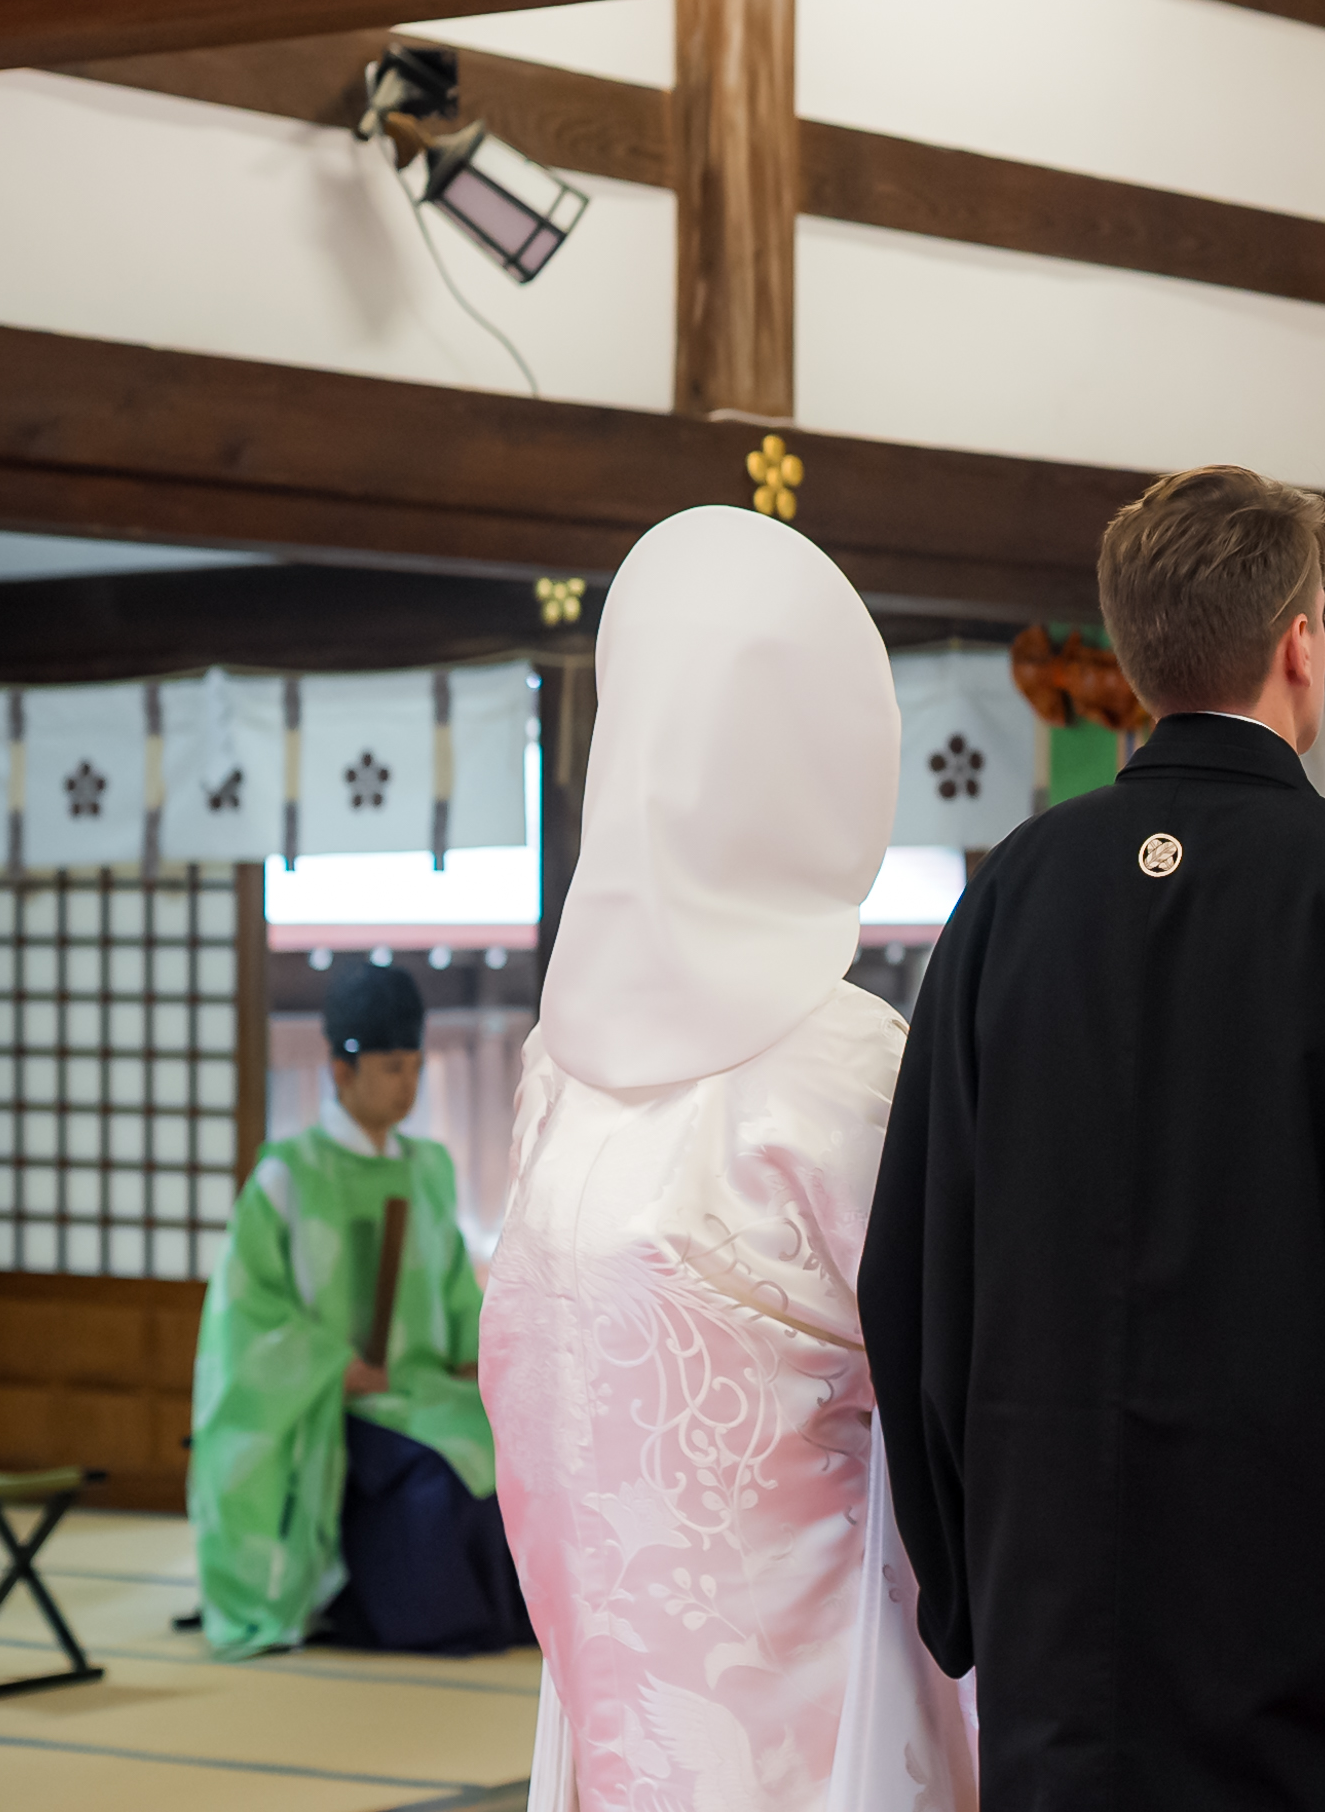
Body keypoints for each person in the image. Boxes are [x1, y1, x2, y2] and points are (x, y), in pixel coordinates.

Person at [864, 465, 1325, 1811]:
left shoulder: (1006, 912)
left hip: (1068, 1684)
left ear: (1138, 649)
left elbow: (921, 1273)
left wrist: (985, 1591)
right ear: (1301, 643)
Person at [480, 506, 971, 1812]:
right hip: (815, 1713)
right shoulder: (847, 1069)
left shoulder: (555, 1068)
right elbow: (961, 1398)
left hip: (619, 1693)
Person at [188, 961, 528, 1659]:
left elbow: (457, 1286)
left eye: (413, 1067)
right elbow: (247, 1308)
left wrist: (475, 1350)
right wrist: (332, 1365)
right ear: (341, 1072)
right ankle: (422, 1619)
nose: (407, 1085)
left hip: (425, 1388)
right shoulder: (288, 1173)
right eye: (391, 1068)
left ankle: (512, 1620)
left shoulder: (427, 1167)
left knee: (506, 1446)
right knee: (436, 1474)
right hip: (332, 1397)